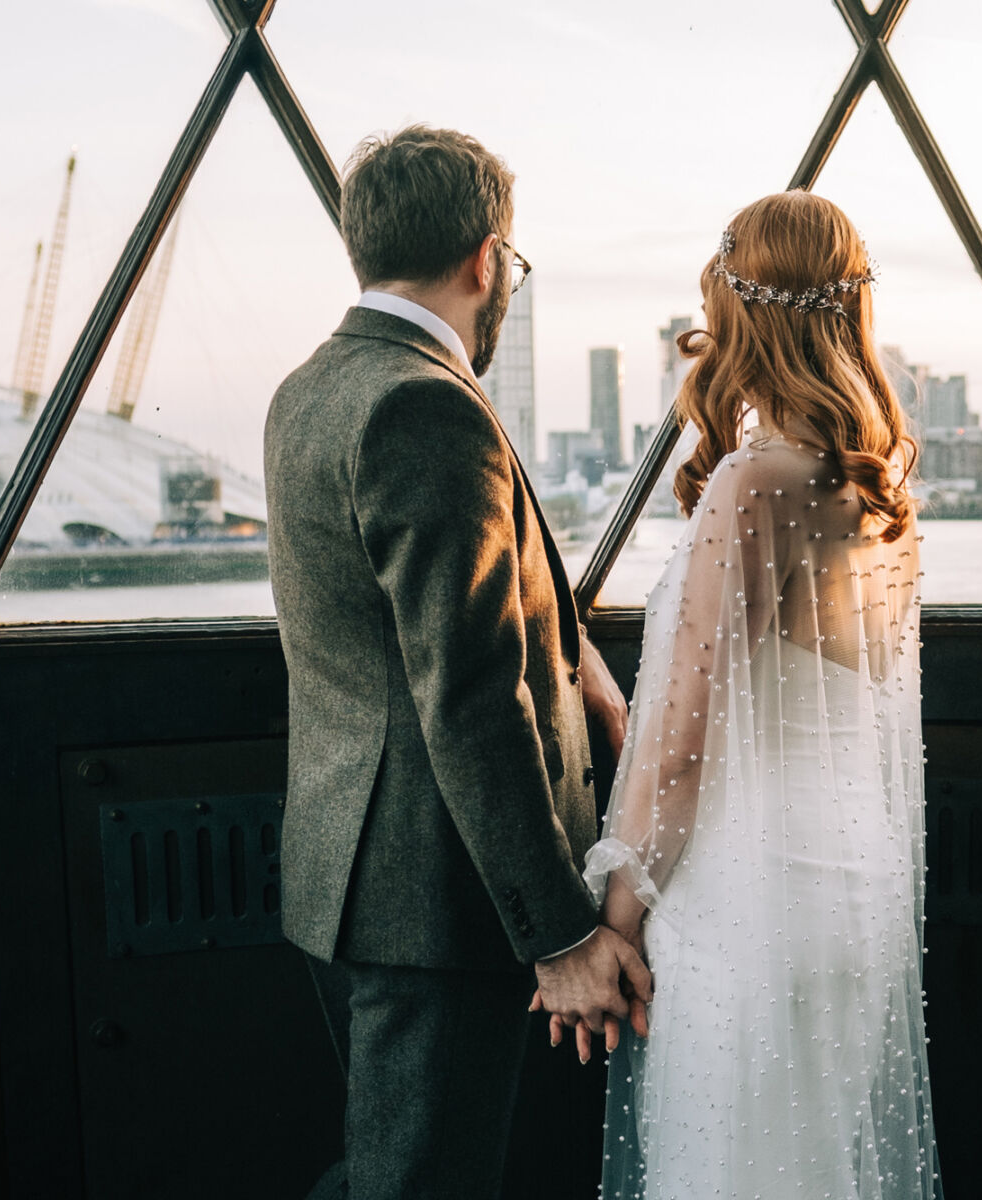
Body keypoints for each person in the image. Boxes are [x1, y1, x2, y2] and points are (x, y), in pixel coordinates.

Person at [263, 125, 651, 1200]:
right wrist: (561, 935)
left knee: (390, 1172)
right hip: (435, 909)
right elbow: (469, 696)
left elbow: (410, 620)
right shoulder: (424, 401)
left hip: (351, 882)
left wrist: (576, 658)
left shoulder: (312, 388)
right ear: (487, 259)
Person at [576, 190, 943, 1198]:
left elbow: (682, 750)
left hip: (749, 903)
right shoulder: (878, 485)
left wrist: (614, 919)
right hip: (847, 891)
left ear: (739, 313)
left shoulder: (756, 483)